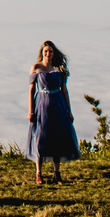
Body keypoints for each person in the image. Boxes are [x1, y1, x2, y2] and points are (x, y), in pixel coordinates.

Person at [26, 39, 80, 185]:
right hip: (41, 104)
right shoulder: (36, 67)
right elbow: (31, 90)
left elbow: (64, 90)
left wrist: (69, 111)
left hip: (58, 105)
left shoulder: (58, 69)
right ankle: (39, 173)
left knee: (57, 138)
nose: (48, 53)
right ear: (42, 53)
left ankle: (57, 174)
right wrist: (31, 111)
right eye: (45, 51)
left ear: (53, 53)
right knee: (40, 138)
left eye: (50, 51)